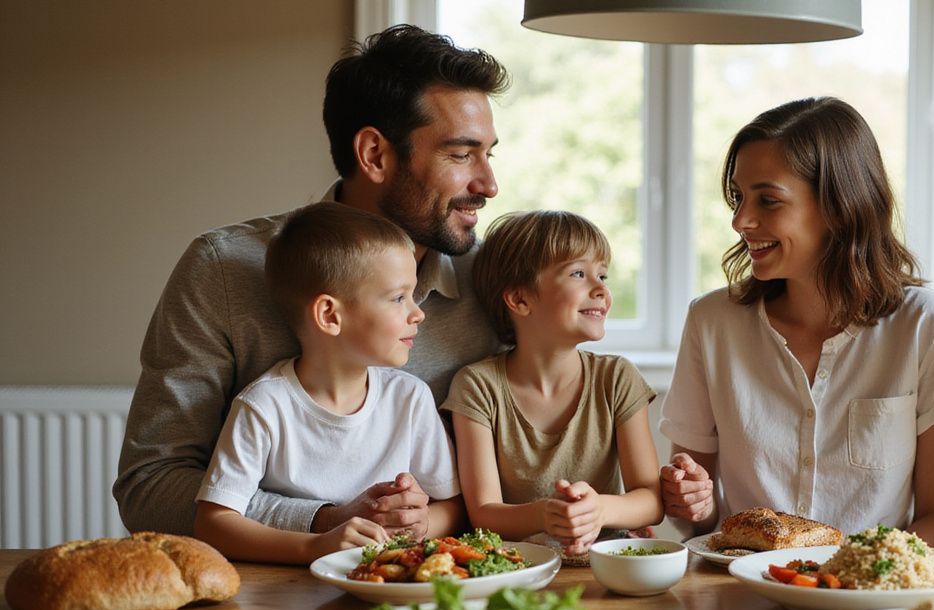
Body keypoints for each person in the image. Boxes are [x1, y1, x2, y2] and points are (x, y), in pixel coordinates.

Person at [115, 25, 508, 539]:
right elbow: (151, 486)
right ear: (374, 154)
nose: (489, 185)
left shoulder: (495, 281)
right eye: (461, 155)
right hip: (262, 601)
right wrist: (321, 525)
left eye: (489, 154)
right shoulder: (224, 269)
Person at [657, 97, 934, 545]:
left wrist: (845, 578)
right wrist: (694, 502)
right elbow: (699, 523)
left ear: (839, 206)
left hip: (871, 599)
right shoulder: (711, 322)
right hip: (737, 587)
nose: (740, 220)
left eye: (767, 200)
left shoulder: (928, 324)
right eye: (738, 197)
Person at [195, 203, 463, 563]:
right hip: (288, 596)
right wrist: (315, 546)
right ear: (329, 315)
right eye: (398, 298)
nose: (418, 312)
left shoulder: (409, 397)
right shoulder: (264, 405)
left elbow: (455, 504)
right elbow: (213, 524)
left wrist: (421, 523)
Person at [445, 210, 663, 560]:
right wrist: (546, 515)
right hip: (517, 570)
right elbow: (483, 513)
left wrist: (600, 511)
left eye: (603, 274)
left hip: (606, 567)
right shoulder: (477, 387)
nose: (601, 289)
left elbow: (651, 500)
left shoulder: (617, 378)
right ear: (519, 300)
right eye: (579, 273)